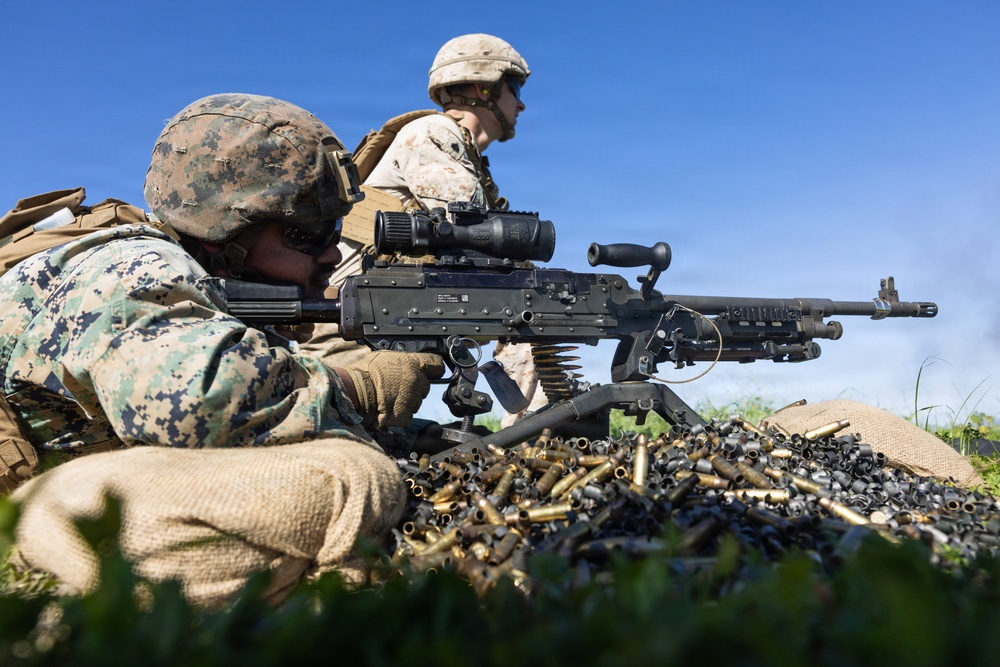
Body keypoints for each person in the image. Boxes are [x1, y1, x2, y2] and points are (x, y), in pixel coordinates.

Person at [0, 93, 450, 605]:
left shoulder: (190, 277)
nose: (331, 254)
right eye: (307, 235)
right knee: (352, 479)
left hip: (51, 494)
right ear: (221, 231)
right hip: (33, 513)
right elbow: (202, 403)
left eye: (334, 232)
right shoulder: (134, 265)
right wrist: (362, 385)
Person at [306, 34, 545, 426]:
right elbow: (472, 237)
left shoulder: (461, 151)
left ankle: (534, 436)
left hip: (382, 319)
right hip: (350, 329)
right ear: (483, 88)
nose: (520, 104)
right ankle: (537, 437)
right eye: (514, 89)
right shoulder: (434, 132)